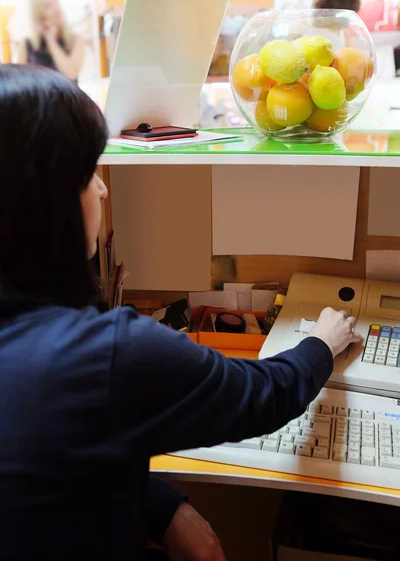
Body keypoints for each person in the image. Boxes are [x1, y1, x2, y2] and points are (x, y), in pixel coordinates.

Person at [0, 63, 361, 560]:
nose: (104, 189)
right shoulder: (109, 354)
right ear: (42, 205)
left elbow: (48, 457)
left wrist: (164, 506)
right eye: (88, 174)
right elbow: (265, 395)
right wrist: (321, 342)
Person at [17, 0, 84, 82]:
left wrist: (51, 42)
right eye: (48, 6)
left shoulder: (75, 40)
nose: (56, 8)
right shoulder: (27, 45)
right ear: (39, 14)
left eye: (55, 2)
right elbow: (20, 82)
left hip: (68, 96)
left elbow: (71, 74)